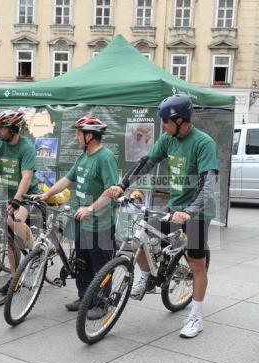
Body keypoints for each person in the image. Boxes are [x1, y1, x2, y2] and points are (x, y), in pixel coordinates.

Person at [105, 94, 219, 339]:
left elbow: (207, 183)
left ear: (180, 120)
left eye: (165, 121)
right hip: (175, 205)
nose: (162, 126)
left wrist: (189, 211)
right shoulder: (168, 139)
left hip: (197, 210)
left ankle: (195, 317)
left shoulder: (203, 143)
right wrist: (123, 184)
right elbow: (146, 162)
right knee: (139, 237)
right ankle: (145, 276)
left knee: (196, 263)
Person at [33, 116, 118, 318]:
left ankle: (102, 303)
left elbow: (111, 190)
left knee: (101, 265)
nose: (76, 137)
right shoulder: (84, 155)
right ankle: (85, 297)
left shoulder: (105, 157)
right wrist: (47, 194)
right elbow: (67, 179)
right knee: (82, 262)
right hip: (81, 220)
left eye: (78, 133)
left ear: (89, 136)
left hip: (100, 223)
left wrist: (91, 208)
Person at [0, 110, 39, 291]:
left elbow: (26, 178)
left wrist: (17, 200)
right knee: (9, 238)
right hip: (7, 194)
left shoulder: (26, 147)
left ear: (14, 129)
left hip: (26, 195)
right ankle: (14, 278)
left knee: (14, 220)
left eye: (2, 128)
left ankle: (34, 251)